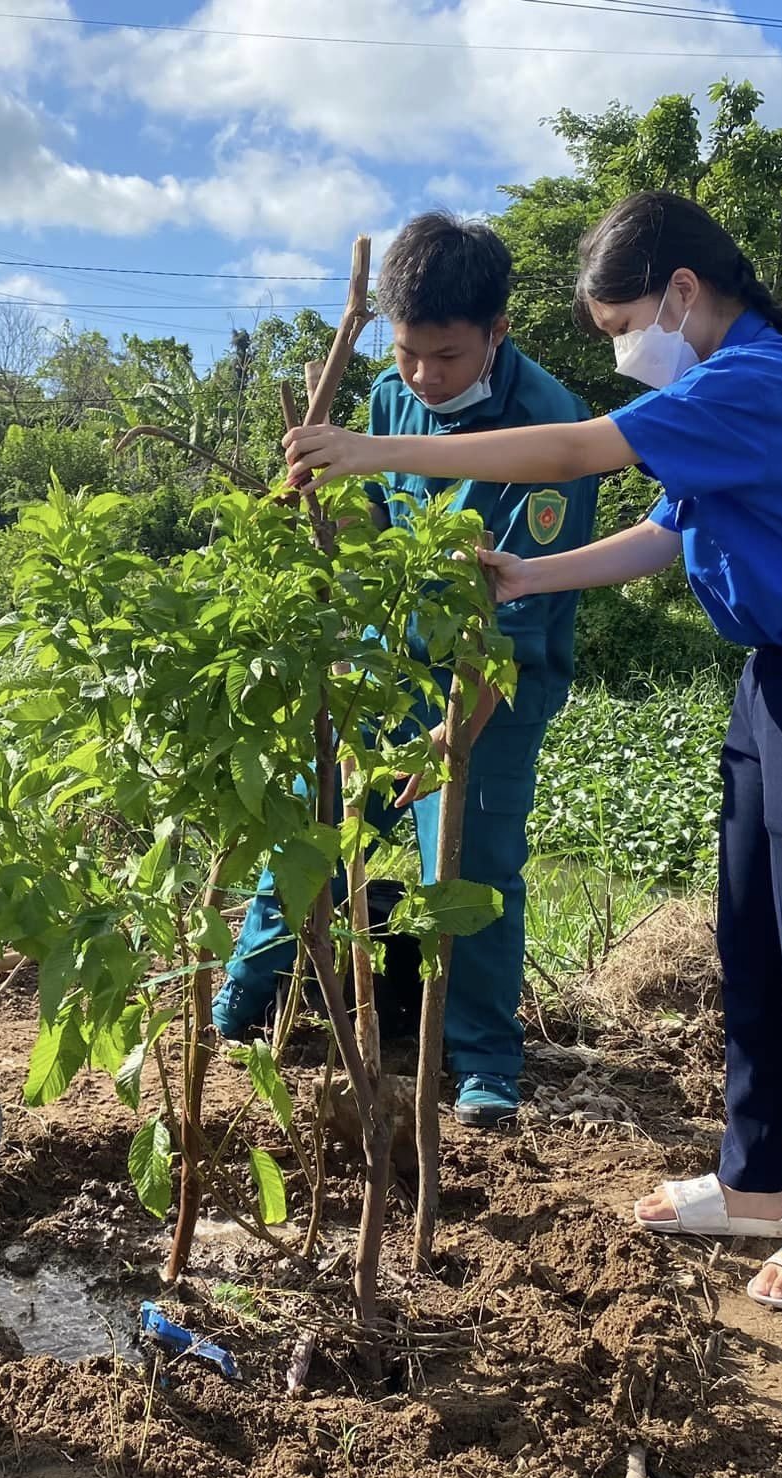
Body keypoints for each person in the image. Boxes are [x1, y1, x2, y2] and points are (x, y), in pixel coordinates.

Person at [283, 191, 782, 1314]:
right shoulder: (718, 390)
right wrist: (532, 574)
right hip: (775, 681)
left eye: (619, 325)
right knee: (751, 945)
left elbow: (577, 449)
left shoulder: (760, 376)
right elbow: (670, 529)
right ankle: (747, 1180)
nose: (623, 352)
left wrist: (366, 448)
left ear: (679, 293)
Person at [212, 212, 599, 1129]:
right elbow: (374, 540)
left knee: (468, 870)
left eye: (448, 356)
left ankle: (481, 1060)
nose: (424, 376)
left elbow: (519, 617)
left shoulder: (553, 430)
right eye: (409, 351)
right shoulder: (389, 396)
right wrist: (329, 537)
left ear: (498, 333)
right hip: (388, 673)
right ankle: (240, 1003)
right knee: (312, 832)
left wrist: (448, 738)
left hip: (493, 686)